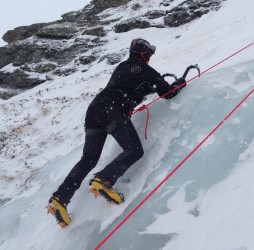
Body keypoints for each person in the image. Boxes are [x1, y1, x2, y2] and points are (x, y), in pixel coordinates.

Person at [47, 38, 186, 227]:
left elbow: (131, 86)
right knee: (134, 149)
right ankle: (104, 180)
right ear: (145, 53)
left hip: (94, 110)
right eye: (150, 54)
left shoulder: (122, 67)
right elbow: (167, 93)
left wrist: (145, 90)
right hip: (112, 110)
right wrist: (179, 83)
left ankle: (60, 199)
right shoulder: (145, 69)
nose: (150, 57)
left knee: (88, 159)